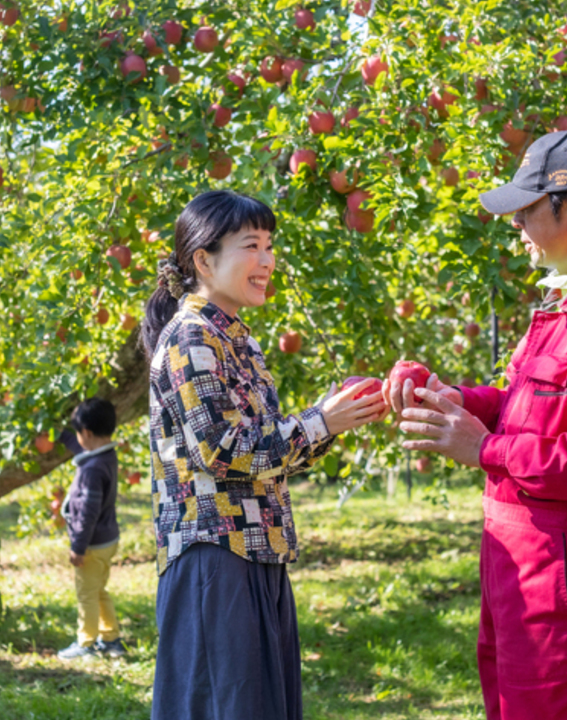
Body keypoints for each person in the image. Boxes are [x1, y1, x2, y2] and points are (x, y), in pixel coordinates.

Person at [387, 129, 567, 720]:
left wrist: (485, 450)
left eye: (525, 207)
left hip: (565, 577)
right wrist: (446, 395)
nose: (513, 221)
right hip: (521, 565)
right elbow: (518, 401)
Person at [141, 189, 388, 720]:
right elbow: (222, 451)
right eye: (252, 245)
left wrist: (331, 418)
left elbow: (265, 451)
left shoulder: (237, 340)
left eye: (270, 245)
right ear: (203, 260)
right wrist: (322, 420)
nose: (268, 260)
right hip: (214, 552)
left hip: (256, 548)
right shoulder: (191, 338)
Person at [55, 397, 126, 661]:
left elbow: (87, 513)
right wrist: (60, 435)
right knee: (98, 591)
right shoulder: (105, 455)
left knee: (86, 594)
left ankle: (86, 643)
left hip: (92, 544)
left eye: (76, 433)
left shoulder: (92, 471)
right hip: (107, 540)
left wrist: (78, 547)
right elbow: (81, 448)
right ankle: (111, 639)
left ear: (86, 432)